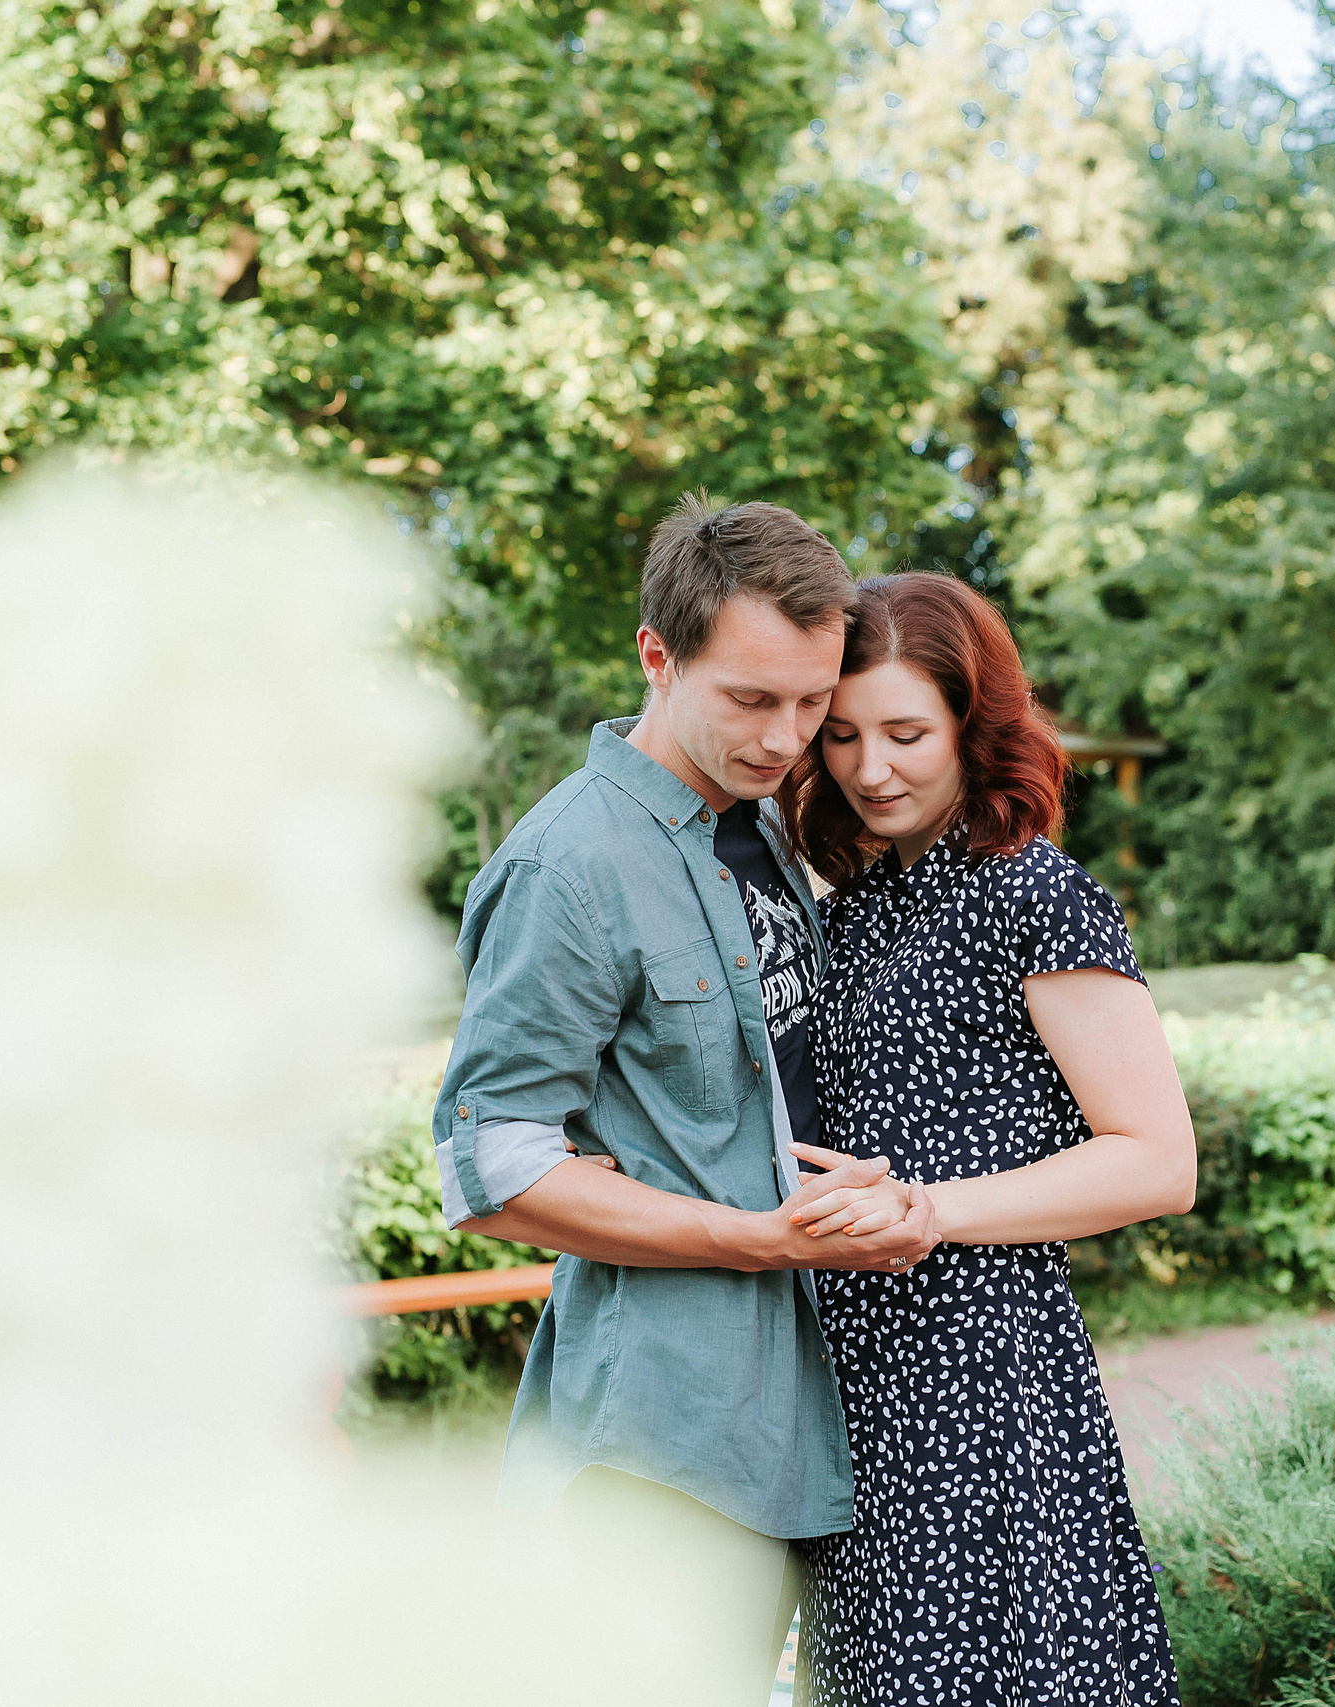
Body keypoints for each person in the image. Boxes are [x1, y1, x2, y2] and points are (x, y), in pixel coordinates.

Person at [429, 495, 940, 1706]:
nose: (786, 737)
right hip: (660, 1434)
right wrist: (751, 1238)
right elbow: (491, 1164)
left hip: (798, 1413)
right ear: (658, 659)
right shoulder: (571, 867)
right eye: (751, 699)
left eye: (811, 701)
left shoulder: (757, 822)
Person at [782, 572, 1196, 1706]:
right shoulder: (856, 904)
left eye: (908, 732)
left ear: (978, 724)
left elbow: (1160, 1161)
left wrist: (931, 1209)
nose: (872, 769)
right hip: (856, 1386)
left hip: (981, 1381)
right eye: (844, 735)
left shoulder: (1033, 892)